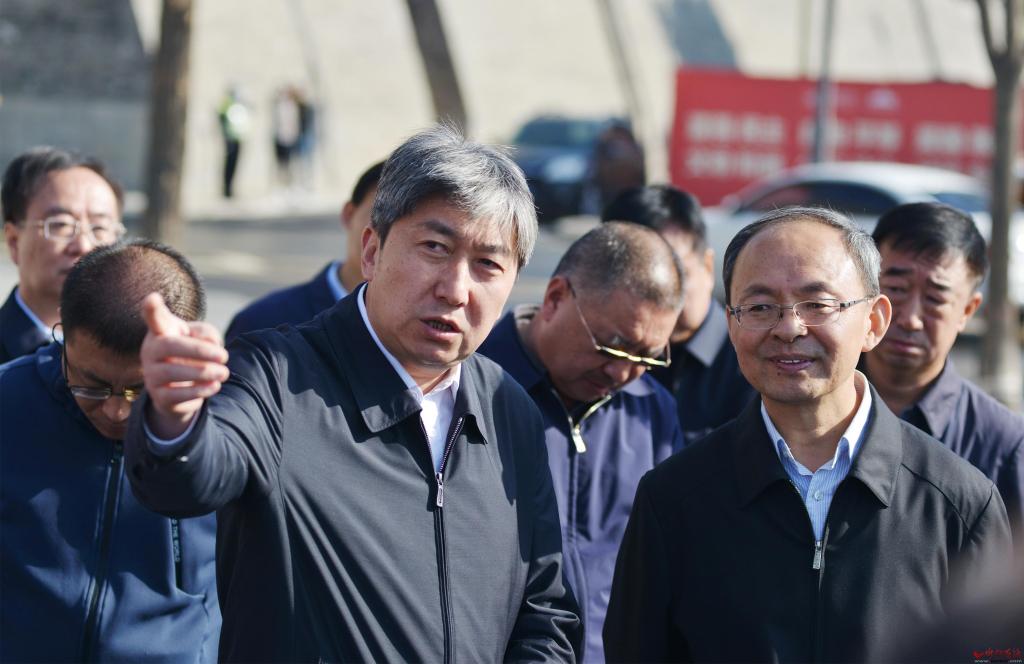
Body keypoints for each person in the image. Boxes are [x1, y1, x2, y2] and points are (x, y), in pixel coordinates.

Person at [124, 125, 582, 662]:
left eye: (487, 264)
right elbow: (189, 479)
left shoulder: (508, 407)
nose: (455, 290)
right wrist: (175, 416)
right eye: (435, 248)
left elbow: (543, 609)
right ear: (371, 250)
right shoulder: (277, 376)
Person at [603, 207, 1012, 662]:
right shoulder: (673, 499)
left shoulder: (959, 504)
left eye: (818, 305)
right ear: (732, 323)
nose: (788, 328)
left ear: (874, 321)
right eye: (760, 307)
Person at [0, 240, 220, 662]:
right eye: (92, 385)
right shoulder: (9, 401)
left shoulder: (227, 426)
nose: (116, 411)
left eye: (139, 389)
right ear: (64, 332)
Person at [477, 221, 684, 663]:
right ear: (555, 298)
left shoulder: (650, 408)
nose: (622, 374)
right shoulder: (472, 390)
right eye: (611, 347)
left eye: (646, 357)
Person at [863, 202, 1023, 538]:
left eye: (935, 299)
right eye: (896, 289)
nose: (910, 318)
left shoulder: (1003, 445)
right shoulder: (803, 403)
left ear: (967, 310)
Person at [602, 185, 755, 443]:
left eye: (675, 274)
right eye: (639, 279)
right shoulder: (598, 357)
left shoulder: (754, 357)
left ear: (708, 266)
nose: (660, 295)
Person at [225, 160, 384, 342]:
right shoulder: (263, 323)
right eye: (382, 216)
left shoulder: (412, 334)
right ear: (349, 215)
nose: (390, 237)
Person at [1, 147, 124, 363]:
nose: (84, 246)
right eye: (61, 225)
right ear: (14, 241)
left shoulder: (136, 355)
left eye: (99, 228)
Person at [217, 87, 250, 198]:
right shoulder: (228, 103)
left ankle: (230, 188)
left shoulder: (240, 105)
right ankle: (227, 188)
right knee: (229, 164)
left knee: (235, 164)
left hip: (238, 138)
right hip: (230, 139)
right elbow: (221, 116)